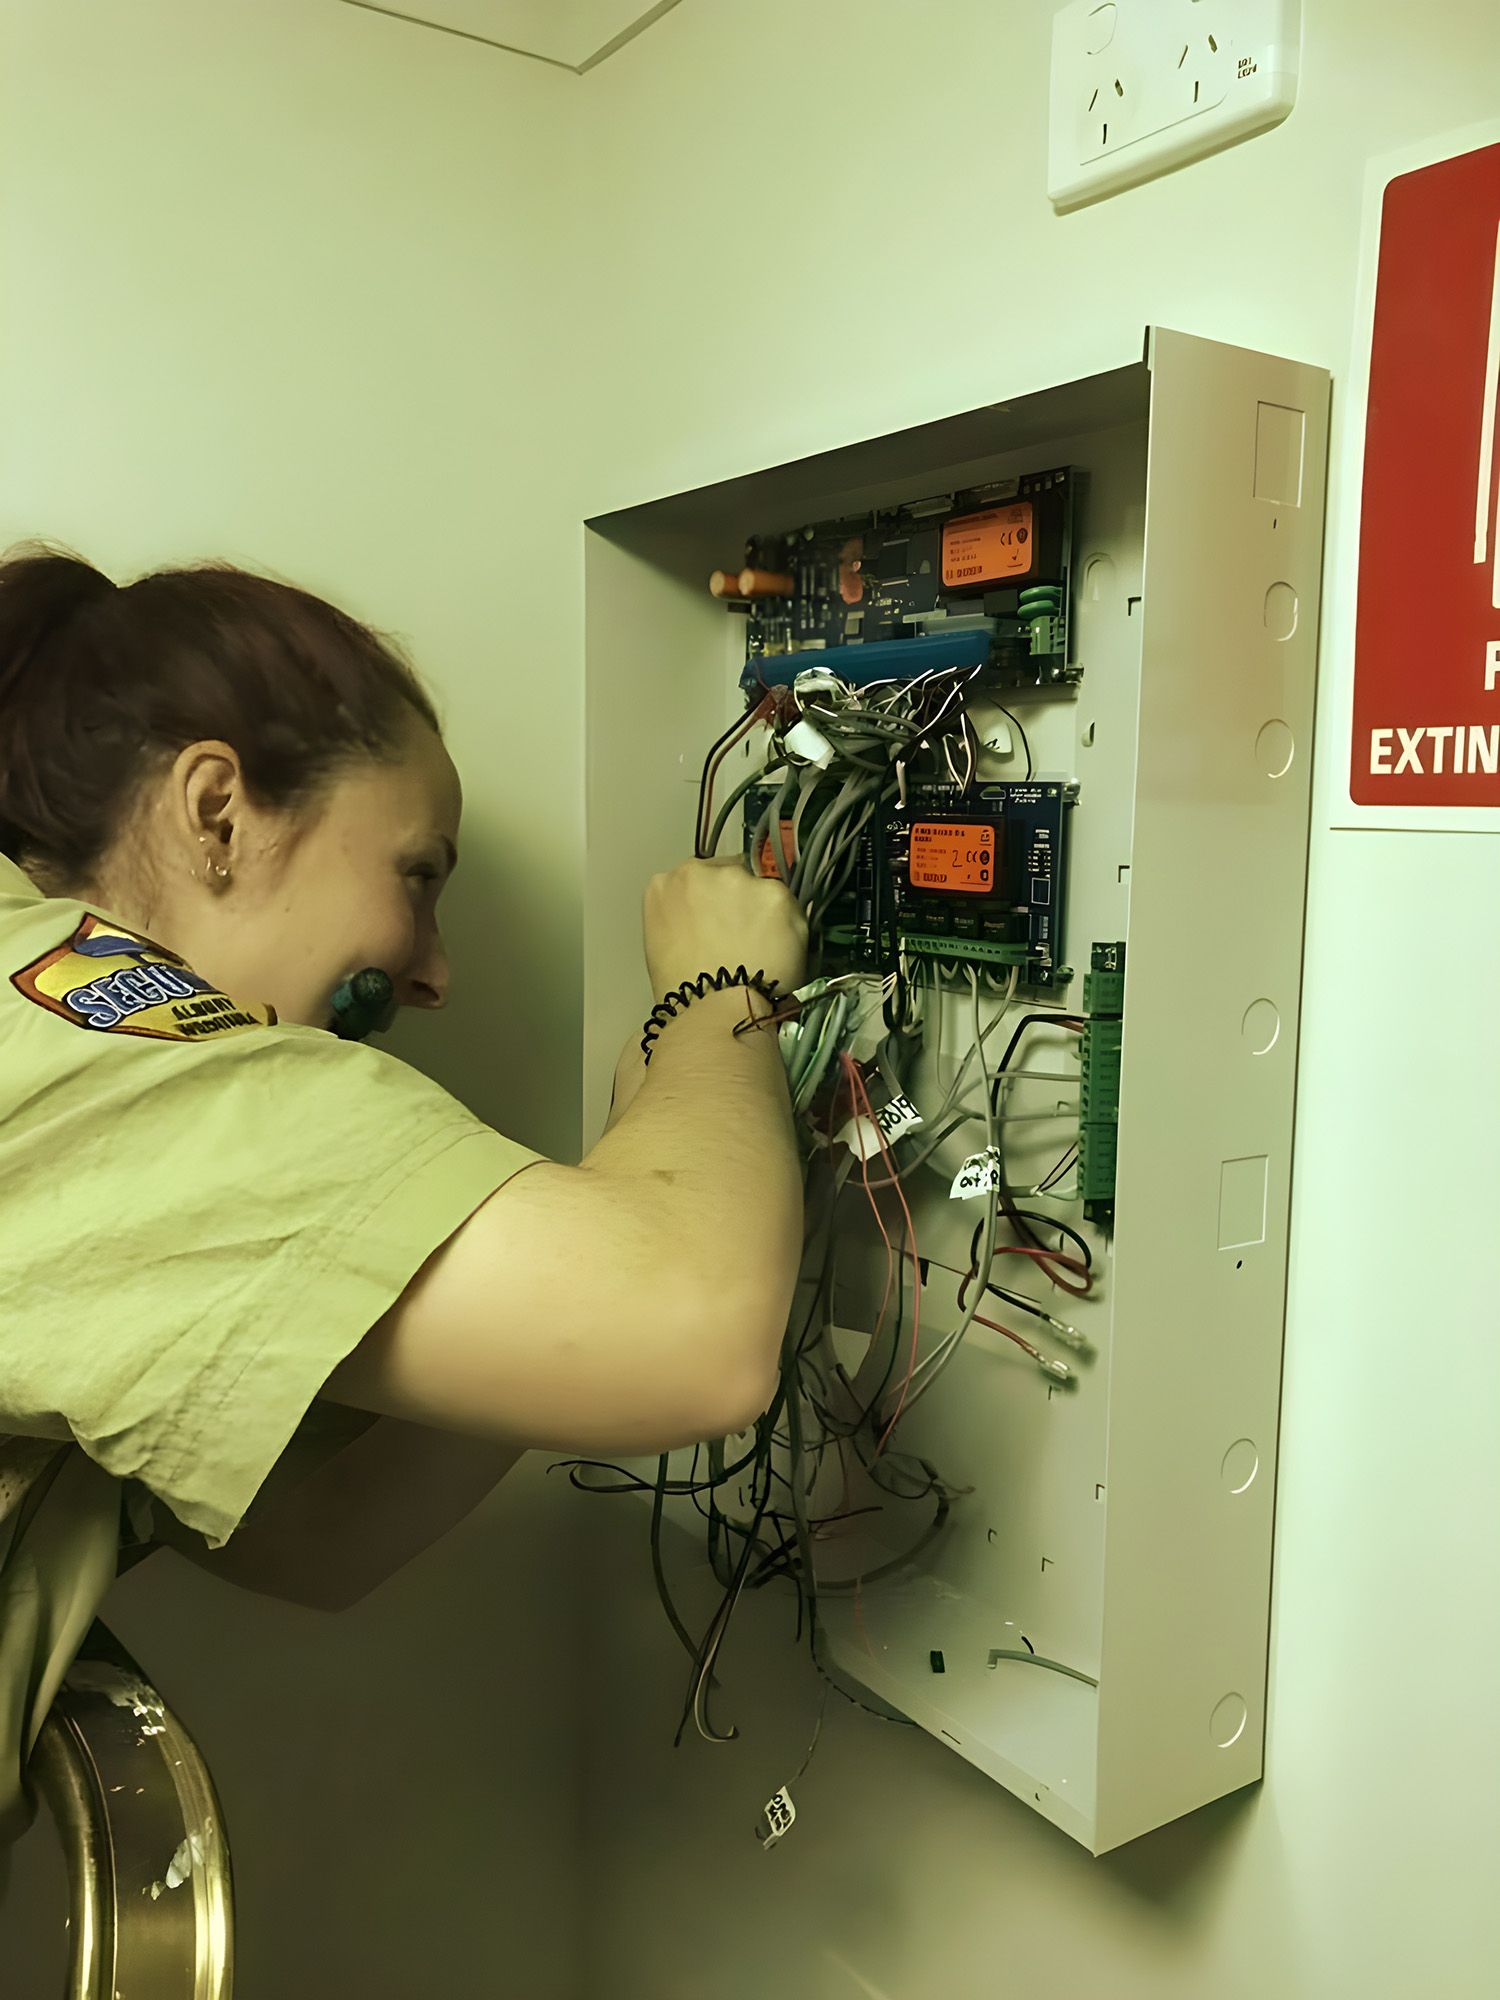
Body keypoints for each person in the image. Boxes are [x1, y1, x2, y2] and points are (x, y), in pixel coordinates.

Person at [0, 545, 806, 1849]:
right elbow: (699, 1332)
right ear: (217, 811)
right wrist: (722, 995)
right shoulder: (95, 1046)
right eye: (417, 876)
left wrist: (635, 1183)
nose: (431, 974)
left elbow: (313, 1542)